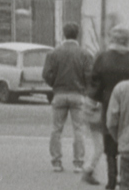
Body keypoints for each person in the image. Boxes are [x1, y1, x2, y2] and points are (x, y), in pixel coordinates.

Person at [42, 23, 99, 181]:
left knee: (56, 129)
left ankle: (56, 162)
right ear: (77, 35)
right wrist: (85, 89)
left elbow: (46, 74)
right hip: (78, 95)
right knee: (78, 130)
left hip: (59, 94)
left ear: (63, 34)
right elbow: (90, 77)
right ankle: (78, 163)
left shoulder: (54, 54)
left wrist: (54, 84)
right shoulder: (85, 54)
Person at [89, 26, 129, 190]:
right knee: (126, 142)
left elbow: (94, 82)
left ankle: (111, 179)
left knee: (110, 142)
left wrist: (96, 99)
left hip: (109, 102)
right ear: (128, 40)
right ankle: (125, 179)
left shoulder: (102, 58)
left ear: (113, 40)